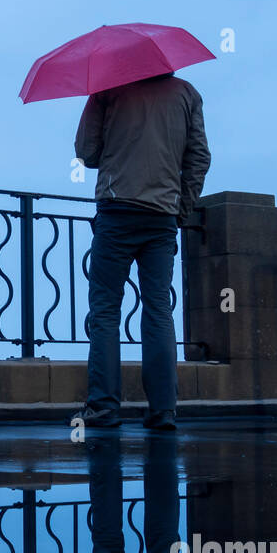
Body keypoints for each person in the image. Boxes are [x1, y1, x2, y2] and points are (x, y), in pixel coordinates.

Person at [71, 71, 210, 430]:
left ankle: (103, 408)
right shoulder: (187, 94)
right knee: (159, 309)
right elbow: (199, 159)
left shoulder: (108, 86)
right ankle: (163, 410)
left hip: (117, 210)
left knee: (105, 310)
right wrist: (181, 209)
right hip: (162, 215)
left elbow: (86, 152)